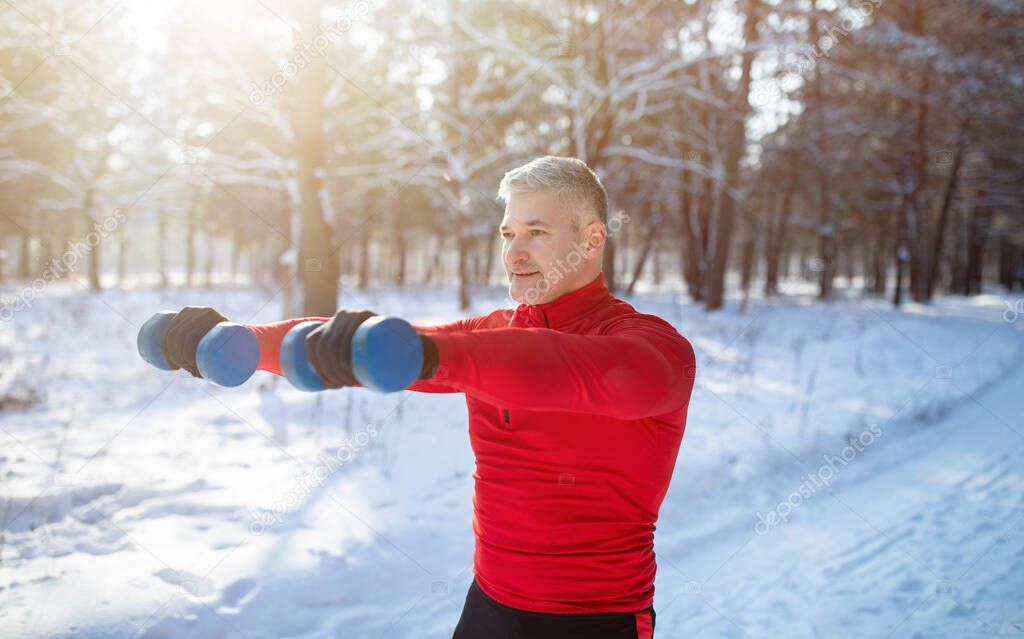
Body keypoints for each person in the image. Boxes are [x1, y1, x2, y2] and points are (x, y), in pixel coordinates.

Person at [160, 156, 696, 639]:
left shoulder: (650, 346)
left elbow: (564, 368)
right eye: (508, 233)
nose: (515, 253)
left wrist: (431, 355)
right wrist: (244, 342)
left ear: (593, 240)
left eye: (537, 231)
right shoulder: (487, 332)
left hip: (594, 621)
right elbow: (368, 340)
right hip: (489, 609)